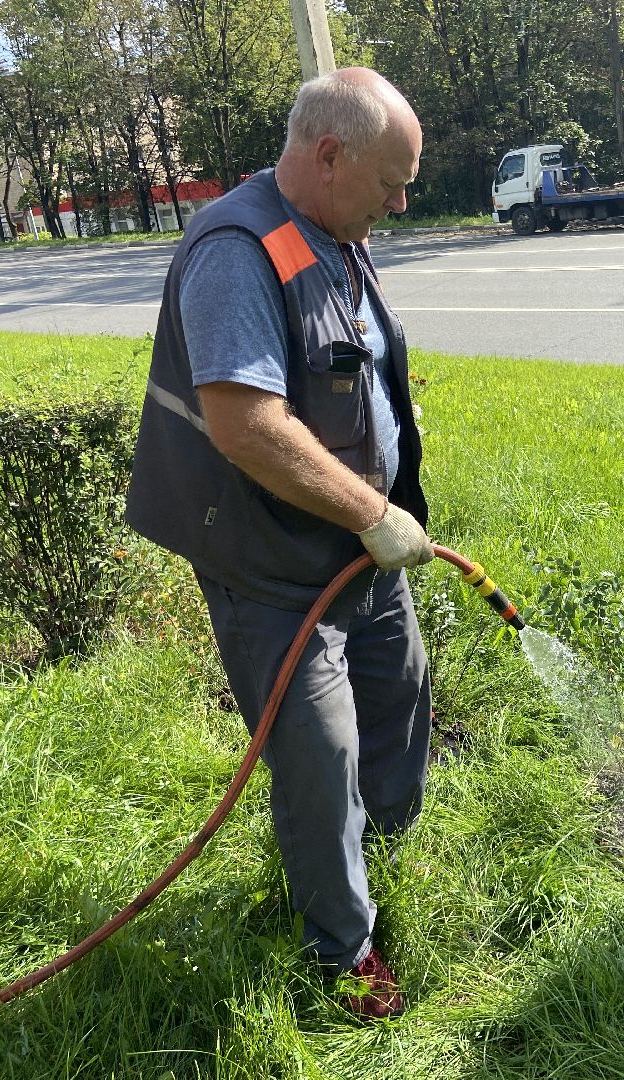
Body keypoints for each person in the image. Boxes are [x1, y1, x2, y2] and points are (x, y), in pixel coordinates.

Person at [125, 68, 433, 1020]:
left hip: (353, 546)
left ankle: (382, 862)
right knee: (320, 755)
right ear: (329, 155)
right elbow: (245, 421)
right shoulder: (236, 249)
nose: (402, 199)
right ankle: (341, 954)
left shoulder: (336, 230)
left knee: (401, 693)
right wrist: (371, 514)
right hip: (272, 564)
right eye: (391, 179)